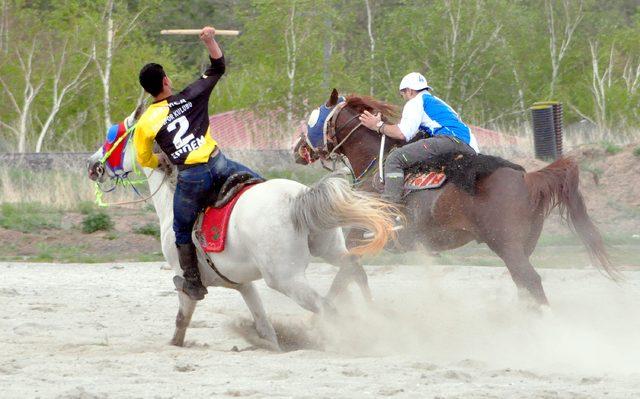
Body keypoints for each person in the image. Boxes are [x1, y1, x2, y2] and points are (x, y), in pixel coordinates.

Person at [134, 26, 260, 301]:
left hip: (192, 178)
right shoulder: (192, 95)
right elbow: (218, 66)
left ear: (148, 91)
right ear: (167, 80)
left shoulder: (145, 123)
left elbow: (143, 159)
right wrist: (209, 40)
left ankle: (192, 281)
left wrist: (161, 160)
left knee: (179, 228)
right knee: (261, 185)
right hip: (220, 164)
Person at [359, 72, 479, 204]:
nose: (404, 97)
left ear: (409, 91)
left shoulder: (416, 102)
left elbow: (402, 133)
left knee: (395, 159)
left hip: (448, 141)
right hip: (470, 147)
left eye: (402, 94)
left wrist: (378, 125)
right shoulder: (438, 102)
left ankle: (390, 207)